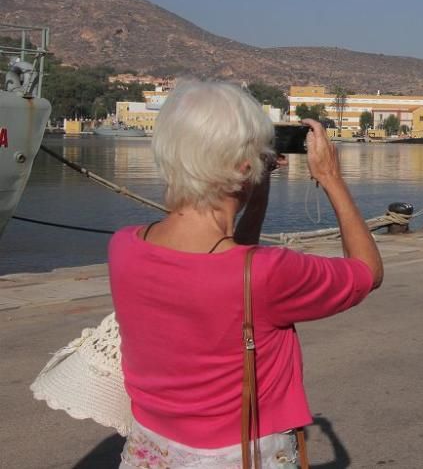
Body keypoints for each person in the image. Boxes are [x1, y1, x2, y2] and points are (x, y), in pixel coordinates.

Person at [109, 80, 383, 468]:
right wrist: (330, 178)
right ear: (243, 167)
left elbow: (229, 258)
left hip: (153, 449)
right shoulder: (269, 274)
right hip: (240, 452)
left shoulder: (125, 246)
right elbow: (366, 272)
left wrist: (258, 185)